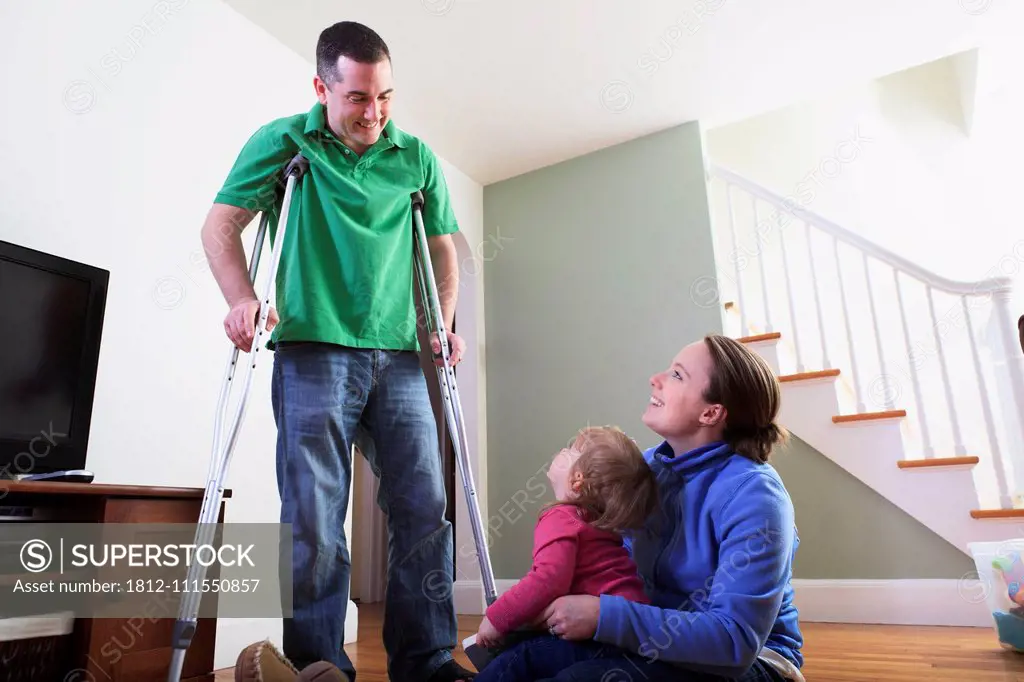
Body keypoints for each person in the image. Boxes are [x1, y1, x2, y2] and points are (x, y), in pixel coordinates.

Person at [200, 20, 476, 682]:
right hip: (313, 351)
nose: (374, 113)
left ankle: (427, 659)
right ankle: (319, 665)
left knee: (421, 507)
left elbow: (440, 243)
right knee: (315, 518)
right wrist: (241, 300)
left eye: (384, 97)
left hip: (403, 357)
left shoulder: (417, 158)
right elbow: (221, 224)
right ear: (322, 87)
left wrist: (439, 317)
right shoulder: (285, 142)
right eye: (358, 98)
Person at [530, 334, 805, 681]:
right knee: (522, 658)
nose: (655, 380)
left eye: (677, 375)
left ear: (711, 412)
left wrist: (604, 617)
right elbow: (602, 557)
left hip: (753, 662)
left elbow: (734, 642)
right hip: (654, 637)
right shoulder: (650, 469)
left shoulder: (757, 497)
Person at [471, 426, 660, 681]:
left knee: (521, 658)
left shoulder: (560, 518)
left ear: (577, 480)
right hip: (629, 635)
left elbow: (547, 581)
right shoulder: (597, 522)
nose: (562, 450)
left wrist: (495, 619)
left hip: (600, 637)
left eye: (570, 451)